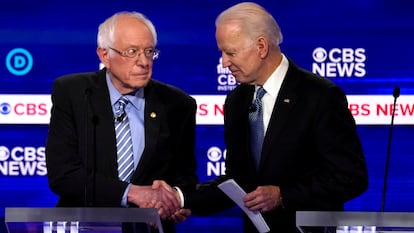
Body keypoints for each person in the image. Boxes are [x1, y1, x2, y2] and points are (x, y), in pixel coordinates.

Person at [180, 2, 369, 233]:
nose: (224, 62)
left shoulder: (319, 97)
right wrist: (181, 199)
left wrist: (283, 196)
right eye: (222, 52)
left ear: (261, 46)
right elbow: (238, 182)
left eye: (230, 52)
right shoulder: (236, 101)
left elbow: (350, 177)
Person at [45, 11, 197, 233]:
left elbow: (186, 176)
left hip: (148, 228)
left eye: (149, 51)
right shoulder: (74, 93)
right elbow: (63, 175)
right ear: (104, 55)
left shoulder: (177, 104)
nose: (143, 62)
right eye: (132, 52)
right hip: (85, 225)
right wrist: (132, 192)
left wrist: (175, 199)